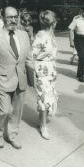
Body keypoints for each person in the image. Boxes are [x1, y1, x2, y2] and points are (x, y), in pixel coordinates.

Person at [0, 6, 32, 149]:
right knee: (5, 110)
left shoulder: (24, 35)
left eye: (15, 17)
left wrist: (34, 77)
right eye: (10, 17)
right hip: (2, 79)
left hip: (21, 79)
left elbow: (29, 58)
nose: (13, 20)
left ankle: (12, 135)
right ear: (3, 18)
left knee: (17, 112)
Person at [32, 10, 58, 140]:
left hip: (51, 70)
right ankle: (43, 126)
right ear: (53, 22)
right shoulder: (41, 35)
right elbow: (32, 55)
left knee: (49, 96)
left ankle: (41, 121)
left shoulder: (51, 34)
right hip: (42, 70)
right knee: (44, 98)